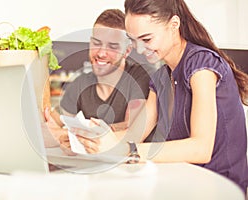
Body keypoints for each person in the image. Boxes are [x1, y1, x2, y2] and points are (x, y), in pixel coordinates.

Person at [74, 0, 248, 194]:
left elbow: (201, 149)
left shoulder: (202, 65)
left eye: (146, 39)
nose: (139, 50)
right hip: (184, 183)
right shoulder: (160, 78)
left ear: (174, 25)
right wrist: (88, 140)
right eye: (134, 41)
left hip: (218, 188)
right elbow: (134, 134)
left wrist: (124, 150)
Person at [43, 9, 152, 153]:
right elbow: (51, 128)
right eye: (96, 43)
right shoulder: (80, 84)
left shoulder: (140, 77)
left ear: (127, 51)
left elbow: (130, 130)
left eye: (112, 46)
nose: (101, 53)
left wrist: (71, 134)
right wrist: (61, 133)